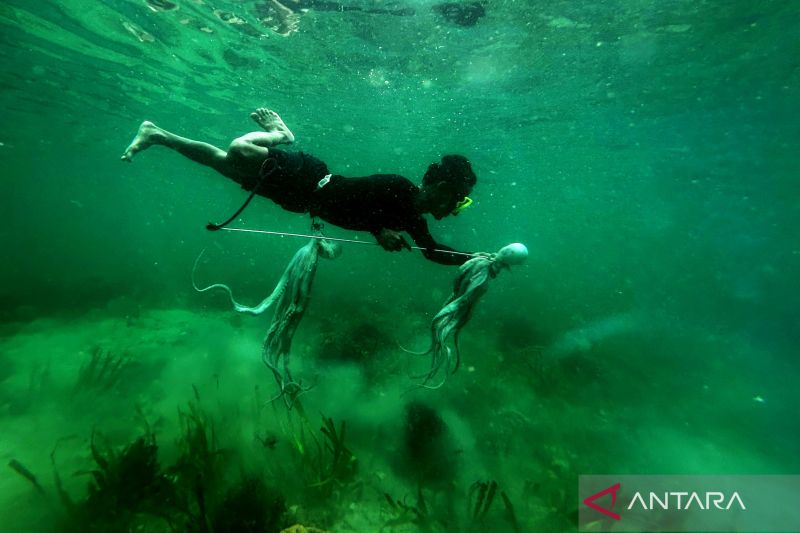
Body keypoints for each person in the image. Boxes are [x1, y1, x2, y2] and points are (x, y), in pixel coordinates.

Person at [121, 108, 483, 266]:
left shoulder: (414, 223)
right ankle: (282, 134)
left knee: (222, 163)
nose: (456, 206)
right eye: (458, 197)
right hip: (309, 177)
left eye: (462, 202)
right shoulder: (398, 187)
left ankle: (158, 135)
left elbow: (432, 252)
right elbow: (354, 199)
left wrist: (480, 259)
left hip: (297, 199)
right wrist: (378, 230)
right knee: (239, 150)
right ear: (437, 185)